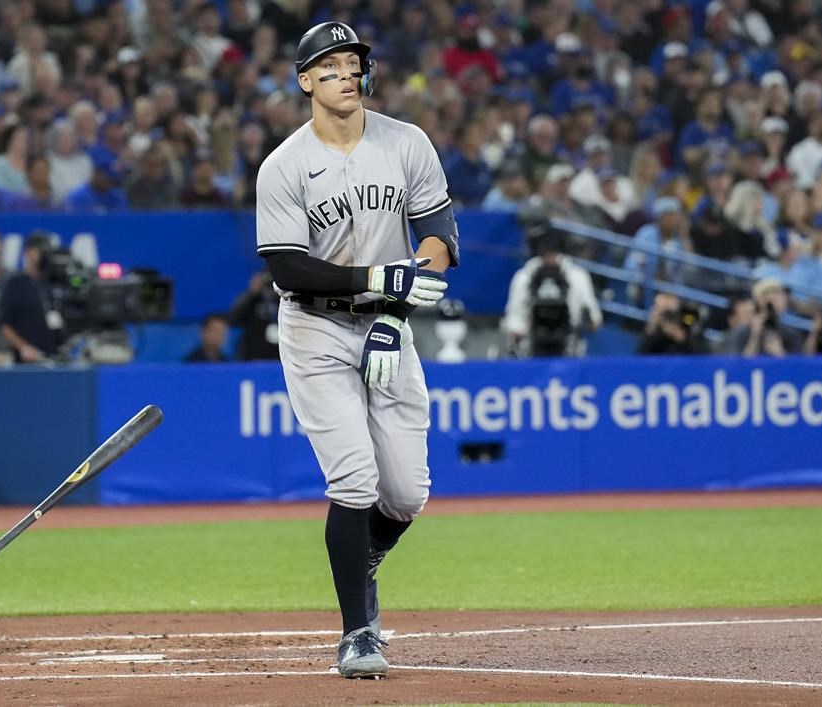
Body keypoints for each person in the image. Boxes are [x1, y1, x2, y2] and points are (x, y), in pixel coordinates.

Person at [255, 22, 454, 679]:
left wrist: (398, 306)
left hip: (388, 324)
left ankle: (362, 554)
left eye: (354, 62)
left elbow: (439, 237)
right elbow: (288, 269)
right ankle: (359, 632)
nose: (347, 72)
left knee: (405, 493)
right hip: (315, 328)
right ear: (305, 80)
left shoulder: (405, 142)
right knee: (354, 479)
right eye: (331, 64)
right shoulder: (284, 165)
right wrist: (377, 280)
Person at [501, 230, 602, 357]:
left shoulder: (577, 276)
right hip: (530, 348)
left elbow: (594, 320)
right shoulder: (524, 277)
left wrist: (585, 321)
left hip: (568, 347)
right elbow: (513, 321)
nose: (550, 256)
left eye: (553, 251)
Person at [0, 233, 63, 362]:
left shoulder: (54, 283)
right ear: (27, 252)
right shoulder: (15, 284)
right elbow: (3, 324)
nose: (43, 255)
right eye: (39, 251)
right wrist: (23, 347)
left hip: (57, 357)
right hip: (28, 359)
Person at [718, 277, 804, 357]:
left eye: (781, 295)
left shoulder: (792, 334)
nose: (780, 299)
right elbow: (737, 367)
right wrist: (754, 338)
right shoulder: (741, 332)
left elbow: (798, 368)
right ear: (759, 300)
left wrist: (780, 353)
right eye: (774, 295)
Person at [227, 270, 281, 360]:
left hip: (280, 359)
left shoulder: (285, 301)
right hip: (252, 359)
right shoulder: (253, 299)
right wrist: (252, 294)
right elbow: (233, 319)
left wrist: (283, 294)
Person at [636, 292, 707, 355]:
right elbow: (640, 358)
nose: (668, 315)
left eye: (669, 311)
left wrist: (680, 336)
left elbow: (703, 357)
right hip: (662, 366)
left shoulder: (688, 321)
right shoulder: (655, 330)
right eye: (659, 308)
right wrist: (652, 327)